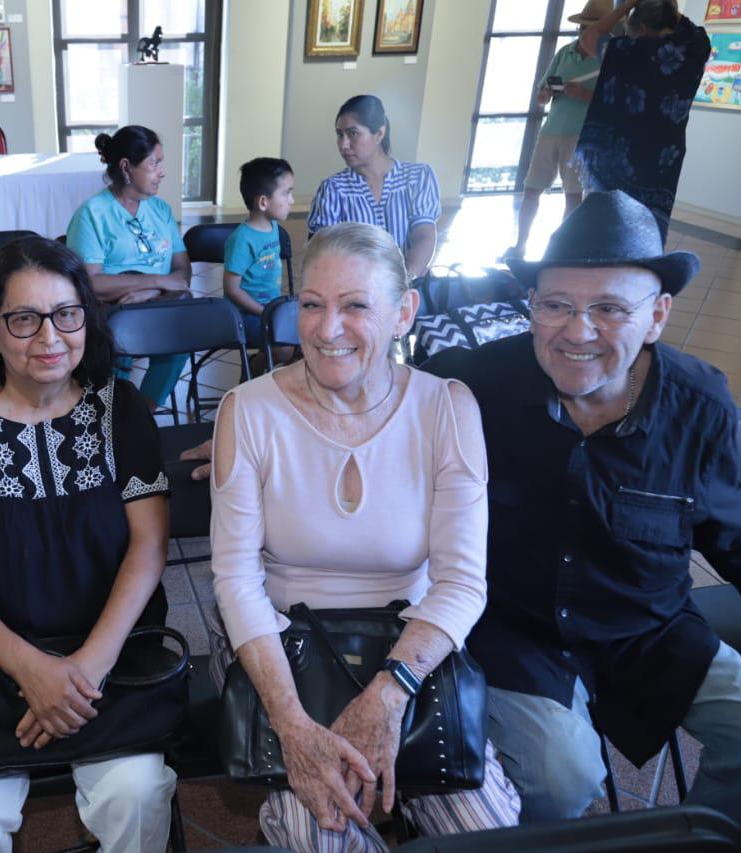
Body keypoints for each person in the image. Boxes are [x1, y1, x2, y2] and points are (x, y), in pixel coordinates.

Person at [420, 191, 741, 839]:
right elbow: (371, 404)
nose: (577, 331)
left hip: (647, 626)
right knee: (563, 772)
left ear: (658, 316)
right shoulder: (471, 384)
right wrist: (276, 426)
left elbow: (732, 532)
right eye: (555, 305)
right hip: (514, 633)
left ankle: (699, 836)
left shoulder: (697, 400)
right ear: (532, 306)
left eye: (609, 307)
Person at [208, 222, 520, 852]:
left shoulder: (446, 408)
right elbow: (236, 580)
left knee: (488, 835)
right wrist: (293, 724)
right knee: (325, 835)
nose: (327, 330)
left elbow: (462, 583)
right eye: (313, 305)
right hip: (280, 647)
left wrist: (389, 693)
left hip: (408, 652)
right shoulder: (247, 410)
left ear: (404, 311)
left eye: (355, 306)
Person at [0, 236, 177, 852]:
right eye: (24, 319)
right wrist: (31, 670)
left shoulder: (118, 407)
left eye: (66, 314)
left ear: (86, 319)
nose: (50, 338)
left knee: (138, 793)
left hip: (106, 657)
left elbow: (148, 546)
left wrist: (84, 671)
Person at [66, 125, 192, 409]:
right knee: (122, 333)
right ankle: (113, 414)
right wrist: (156, 282)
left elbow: (182, 270)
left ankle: (141, 415)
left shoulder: (161, 210)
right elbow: (91, 283)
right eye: (154, 163)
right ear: (126, 167)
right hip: (112, 313)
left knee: (180, 338)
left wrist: (151, 293)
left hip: (159, 307)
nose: (162, 171)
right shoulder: (93, 214)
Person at [574, 0, 710, 241]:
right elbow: (690, 28)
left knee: (607, 225)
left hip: (618, 154)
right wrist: (666, 7)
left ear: (643, 28)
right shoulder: (694, 50)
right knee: (650, 227)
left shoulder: (628, 50)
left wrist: (626, 6)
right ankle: (643, 264)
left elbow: (590, 36)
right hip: (663, 155)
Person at [505, 0, 607, 260]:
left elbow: (612, 103)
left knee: (573, 195)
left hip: (580, 136)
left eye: (591, 28)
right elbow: (541, 93)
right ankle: (520, 244)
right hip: (551, 131)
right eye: (583, 27)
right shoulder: (564, 52)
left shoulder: (609, 59)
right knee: (531, 188)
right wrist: (546, 93)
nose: (585, 33)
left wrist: (583, 94)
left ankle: (562, 250)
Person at [306, 95, 440, 279]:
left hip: (411, 287)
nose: (343, 144)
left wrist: (404, 283)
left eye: (353, 133)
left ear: (379, 133)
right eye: (339, 134)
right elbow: (322, 254)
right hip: (356, 292)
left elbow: (424, 236)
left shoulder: (417, 178)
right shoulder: (333, 189)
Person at [224, 157, 297, 367]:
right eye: (286, 193)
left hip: (269, 308)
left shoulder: (274, 228)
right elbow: (232, 289)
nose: (291, 200)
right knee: (284, 346)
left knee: (308, 330)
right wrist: (263, 311)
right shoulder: (242, 240)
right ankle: (255, 368)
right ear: (263, 202)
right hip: (243, 315)